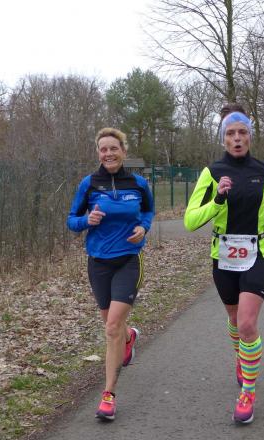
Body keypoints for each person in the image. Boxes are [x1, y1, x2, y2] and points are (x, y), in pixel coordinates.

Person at [184, 104, 264, 424]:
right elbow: (190, 221)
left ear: (250, 137)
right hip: (224, 257)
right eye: (231, 133)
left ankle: (248, 393)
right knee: (233, 318)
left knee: (246, 323)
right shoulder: (212, 172)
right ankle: (241, 357)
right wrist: (217, 200)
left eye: (243, 132)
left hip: (259, 253)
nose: (237, 138)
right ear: (223, 139)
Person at [67, 127, 155, 421]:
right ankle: (129, 337)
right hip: (99, 263)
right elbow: (71, 220)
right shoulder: (89, 184)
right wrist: (87, 220)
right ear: (98, 154)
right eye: (103, 149)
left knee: (111, 327)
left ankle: (108, 395)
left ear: (123, 151)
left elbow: (148, 212)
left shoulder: (139, 184)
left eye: (113, 148)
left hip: (129, 260)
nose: (108, 153)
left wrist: (143, 228)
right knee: (112, 325)